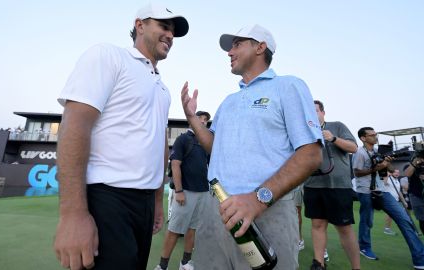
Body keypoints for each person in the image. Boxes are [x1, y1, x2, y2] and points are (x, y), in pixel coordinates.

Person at [53, 4, 189, 270]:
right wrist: (72, 214)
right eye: (164, 26)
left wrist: (157, 200)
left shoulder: (162, 88)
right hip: (106, 199)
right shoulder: (108, 56)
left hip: (144, 204)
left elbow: (158, 144)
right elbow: (74, 125)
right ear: (139, 25)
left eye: (173, 31)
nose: (170, 35)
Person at [181, 24, 323, 270]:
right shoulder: (228, 101)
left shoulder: (288, 86)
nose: (229, 52)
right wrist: (193, 119)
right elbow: (214, 147)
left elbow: (311, 154)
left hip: (268, 210)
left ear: (260, 47)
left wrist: (258, 200)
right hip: (216, 211)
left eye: (237, 44)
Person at [353, 127, 424, 269]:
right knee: (367, 221)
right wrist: (377, 168)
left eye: (375, 134)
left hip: (382, 190)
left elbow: (391, 170)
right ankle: (364, 247)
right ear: (363, 138)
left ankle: (419, 259)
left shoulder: (378, 152)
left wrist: (387, 162)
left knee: (403, 218)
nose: (375, 136)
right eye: (371, 135)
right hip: (365, 191)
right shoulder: (359, 152)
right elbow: (357, 172)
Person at [303, 100, 359, 270]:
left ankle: (356, 267)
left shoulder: (337, 126)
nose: (312, 114)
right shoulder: (303, 131)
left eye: (315, 111)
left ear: (323, 112)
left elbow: (354, 148)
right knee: (317, 225)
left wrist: (332, 138)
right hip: (313, 184)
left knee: (344, 227)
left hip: (338, 185)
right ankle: (319, 263)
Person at [154, 111, 211, 270]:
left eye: (206, 120)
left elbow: (207, 167)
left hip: (203, 193)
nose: (203, 122)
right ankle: (162, 265)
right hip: (185, 193)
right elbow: (175, 164)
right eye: (200, 118)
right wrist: (178, 191)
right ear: (190, 121)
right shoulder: (183, 139)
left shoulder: (205, 143)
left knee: (192, 230)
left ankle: (185, 263)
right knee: (174, 230)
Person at [382, 168, 407, 236]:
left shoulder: (397, 181)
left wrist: (404, 201)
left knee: (398, 214)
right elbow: (384, 183)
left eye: (398, 172)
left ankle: (404, 228)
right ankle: (387, 229)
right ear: (392, 173)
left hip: (396, 200)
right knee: (390, 214)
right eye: (395, 172)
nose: (397, 174)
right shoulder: (389, 179)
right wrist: (387, 175)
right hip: (389, 200)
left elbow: (399, 192)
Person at [405, 156, 424, 234]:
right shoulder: (413, 162)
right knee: (422, 219)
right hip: (416, 195)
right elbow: (407, 174)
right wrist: (414, 163)